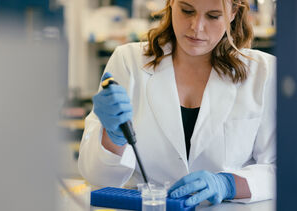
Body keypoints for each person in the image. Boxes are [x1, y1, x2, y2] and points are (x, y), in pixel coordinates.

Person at [78, 0, 275, 206]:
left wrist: (228, 184)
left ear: (233, 12)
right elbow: (98, 178)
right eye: (187, 10)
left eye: (213, 16)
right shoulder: (128, 62)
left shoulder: (264, 73)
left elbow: (282, 169)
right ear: (171, 3)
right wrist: (112, 138)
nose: (196, 27)